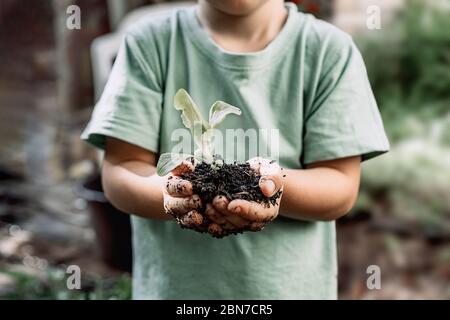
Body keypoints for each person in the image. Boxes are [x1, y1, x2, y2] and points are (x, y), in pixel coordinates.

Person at [82, 0, 389, 299]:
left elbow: (340, 184)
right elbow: (122, 169)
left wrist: (273, 188)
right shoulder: (149, 43)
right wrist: (177, 195)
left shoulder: (328, 52)